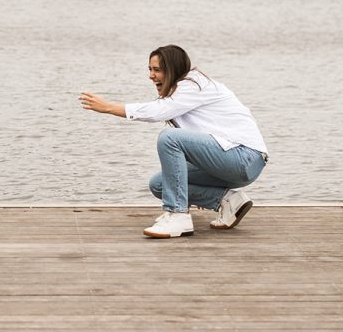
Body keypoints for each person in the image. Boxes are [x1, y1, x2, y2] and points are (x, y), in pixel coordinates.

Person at [79, 44, 268, 239]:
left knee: (169, 139)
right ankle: (229, 201)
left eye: (157, 70)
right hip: (232, 163)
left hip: (244, 157)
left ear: (173, 70)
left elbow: (158, 111)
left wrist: (109, 107)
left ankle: (178, 216)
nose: (151, 76)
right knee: (159, 184)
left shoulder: (194, 85)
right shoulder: (182, 91)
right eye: (150, 69)